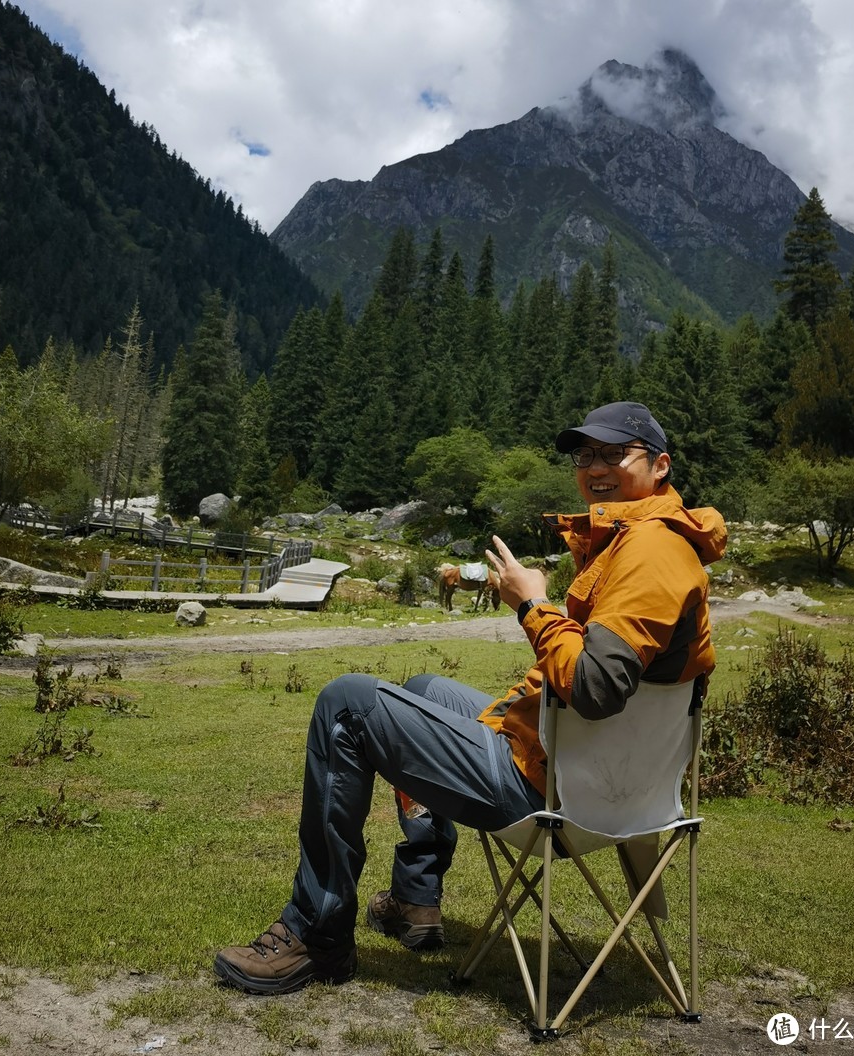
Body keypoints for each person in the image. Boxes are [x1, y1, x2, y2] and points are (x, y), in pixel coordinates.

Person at [214, 401, 725, 995]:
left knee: (345, 704)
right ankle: (414, 901)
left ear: (660, 466)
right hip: (625, 793)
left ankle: (316, 936)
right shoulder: (644, 542)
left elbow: (594, 688)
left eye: (614, 454)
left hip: (554, 789)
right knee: (425, 690)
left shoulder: (651, 551)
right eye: (586, 455)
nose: (595, 467)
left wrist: (532, 605)